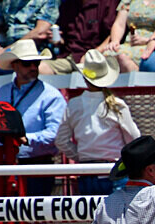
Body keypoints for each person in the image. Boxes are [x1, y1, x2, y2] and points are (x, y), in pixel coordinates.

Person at [0, 39, 66, 224]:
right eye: (28, 63)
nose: (33, 67)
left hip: (36, 166)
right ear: (15, 65)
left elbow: (55, 136)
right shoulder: (2, 92)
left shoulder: (50, 95)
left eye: (35, 63)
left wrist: (20, 140)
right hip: (10, 165)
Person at [56, 49, 140, 194]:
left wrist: (81, 155)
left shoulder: (73, 104)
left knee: (92, 214)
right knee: (118, 215)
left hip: (87, 171)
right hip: (114, 169)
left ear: (84, 77)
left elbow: (61, 140)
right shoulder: (117, 105)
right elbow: (133, 137)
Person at [40, 0, 128, 76]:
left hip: (97, 59)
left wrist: (95, 52)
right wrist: (58, 40)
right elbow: (65, 37)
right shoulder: (69, 5)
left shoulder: (109, 3)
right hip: (69, 58)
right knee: (40, 69)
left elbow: (114, 35)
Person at [101, 0, 155, 72]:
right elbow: (119, 24)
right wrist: (115, 40)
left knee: (123, 58)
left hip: (154, 44)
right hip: (130, 43)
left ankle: (139, 80)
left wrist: (148, 40)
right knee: (107, 55)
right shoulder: (128, 1)